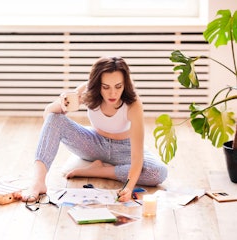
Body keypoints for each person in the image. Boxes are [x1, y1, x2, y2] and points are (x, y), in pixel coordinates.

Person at [21, 56, 168, 203]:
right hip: (94, 143)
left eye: (118, 86)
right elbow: (49, 116)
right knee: (55, 118)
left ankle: (99, 171)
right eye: (106, 87)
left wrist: (128, 187)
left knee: (158, 172)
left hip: (125, 149)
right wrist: (62, 103)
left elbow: (137, 157)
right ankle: (38, 182)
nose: (113, 94)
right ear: (98, 84)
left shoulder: (133, 104)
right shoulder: (88, 90)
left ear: (125, 84)